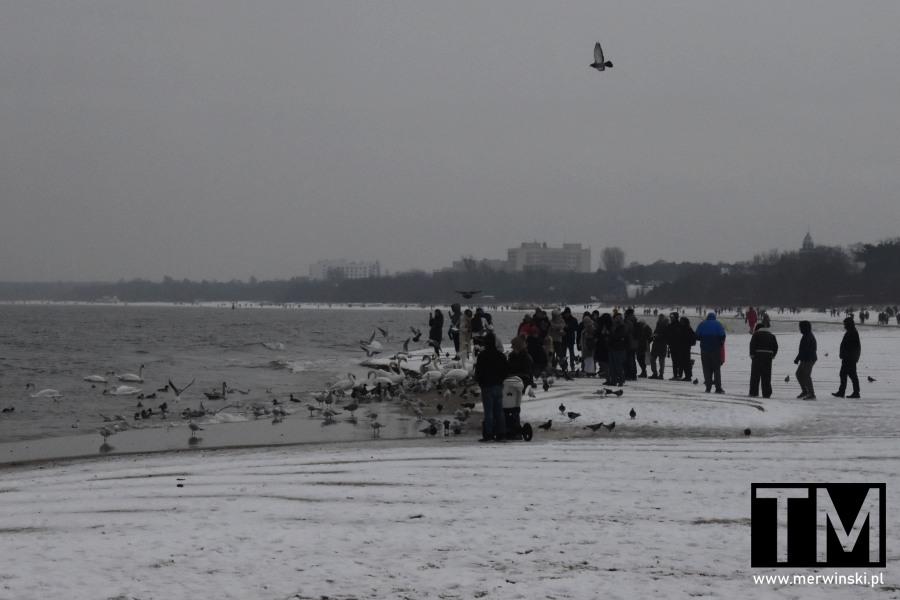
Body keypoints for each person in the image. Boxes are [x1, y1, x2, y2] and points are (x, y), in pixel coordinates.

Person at [475, 332, 508, 442]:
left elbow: (478, 372)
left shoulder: (482, 356)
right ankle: (501, 434)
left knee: (488, 412)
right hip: (498, 385)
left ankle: (489, 434)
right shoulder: (501, 356)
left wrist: (481, 383)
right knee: (499, 411)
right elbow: (506, 371)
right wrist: (500, 380)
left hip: (487, 386)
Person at [695, 312, 726, 393]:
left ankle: (708, 387)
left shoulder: (702, 324)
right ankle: (718, 387)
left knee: (706, 368)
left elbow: (697, 335)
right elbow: (722, 335)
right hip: (715, 350)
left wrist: (703, 339)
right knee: (716, 369)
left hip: (704, 350)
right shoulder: (718, 324)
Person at [833, 316, 861, 398]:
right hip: (850, 358)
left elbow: (851, 347)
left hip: (849, 358)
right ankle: (852, 392)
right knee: (850, 375)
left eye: (845, 324)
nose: (844, 325)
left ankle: (844, 392)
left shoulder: (852, 332)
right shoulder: (851, 331)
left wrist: (845, 355)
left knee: (845, 374)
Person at [748, 323, 778, 398]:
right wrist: (773, 355)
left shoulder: (756, 334)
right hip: (768, 356)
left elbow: (752, 345)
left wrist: (752, 355)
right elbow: (776, 346)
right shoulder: (771, 335)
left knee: (755, 375)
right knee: (766, 375)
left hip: (758, 355)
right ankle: (767, 393)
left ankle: (753, 392)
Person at [793, 320, 817, 400]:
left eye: (800, 327)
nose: (799, 329)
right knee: (799, 374)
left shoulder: (808, 336)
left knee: (806, 376)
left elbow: (804, 350)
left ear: (804, 328)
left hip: (808, 359)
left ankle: (811, 394)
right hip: (806, 359)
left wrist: (797, 359)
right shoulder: (807, 335)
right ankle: (805, 391)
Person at [649, 313, 669, 379]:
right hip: (656, 344)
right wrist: (651, 337)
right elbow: (655, 332)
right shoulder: (658, 324)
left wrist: (658, 336)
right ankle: (655, 373)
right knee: (652, 359)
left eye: (661, 318)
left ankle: (661, 374)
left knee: (661, 360)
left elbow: (666, 335)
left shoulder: (666, 325)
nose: (660, 319)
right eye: (659, 317)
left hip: (662, 345)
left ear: (663, 318)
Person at [561, 307, 579, 372]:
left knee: (572, 354)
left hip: (571, 339)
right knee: (563, 354)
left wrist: (568, 327)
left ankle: (572, 366)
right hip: (563, 339)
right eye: (566, 313)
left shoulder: (574, 320)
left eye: (568, 313)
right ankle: (564, 367)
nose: (567, 315)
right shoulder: (561, 319)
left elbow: (576, 328)